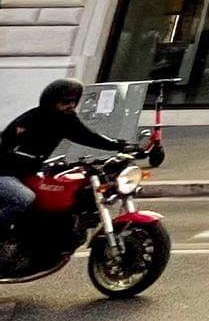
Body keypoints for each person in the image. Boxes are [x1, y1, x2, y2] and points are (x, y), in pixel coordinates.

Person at [1, 78, 130, 235]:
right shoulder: (32, 119)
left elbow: (88, 136)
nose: (70, 106)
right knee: (23, 198)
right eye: (65, 102)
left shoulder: (67, 120)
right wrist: (17, 155)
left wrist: (120, 145)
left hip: (28, 173)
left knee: (52, 196)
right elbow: (6, 141)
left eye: (74, 101)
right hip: (5, 172)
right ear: (51, 102)